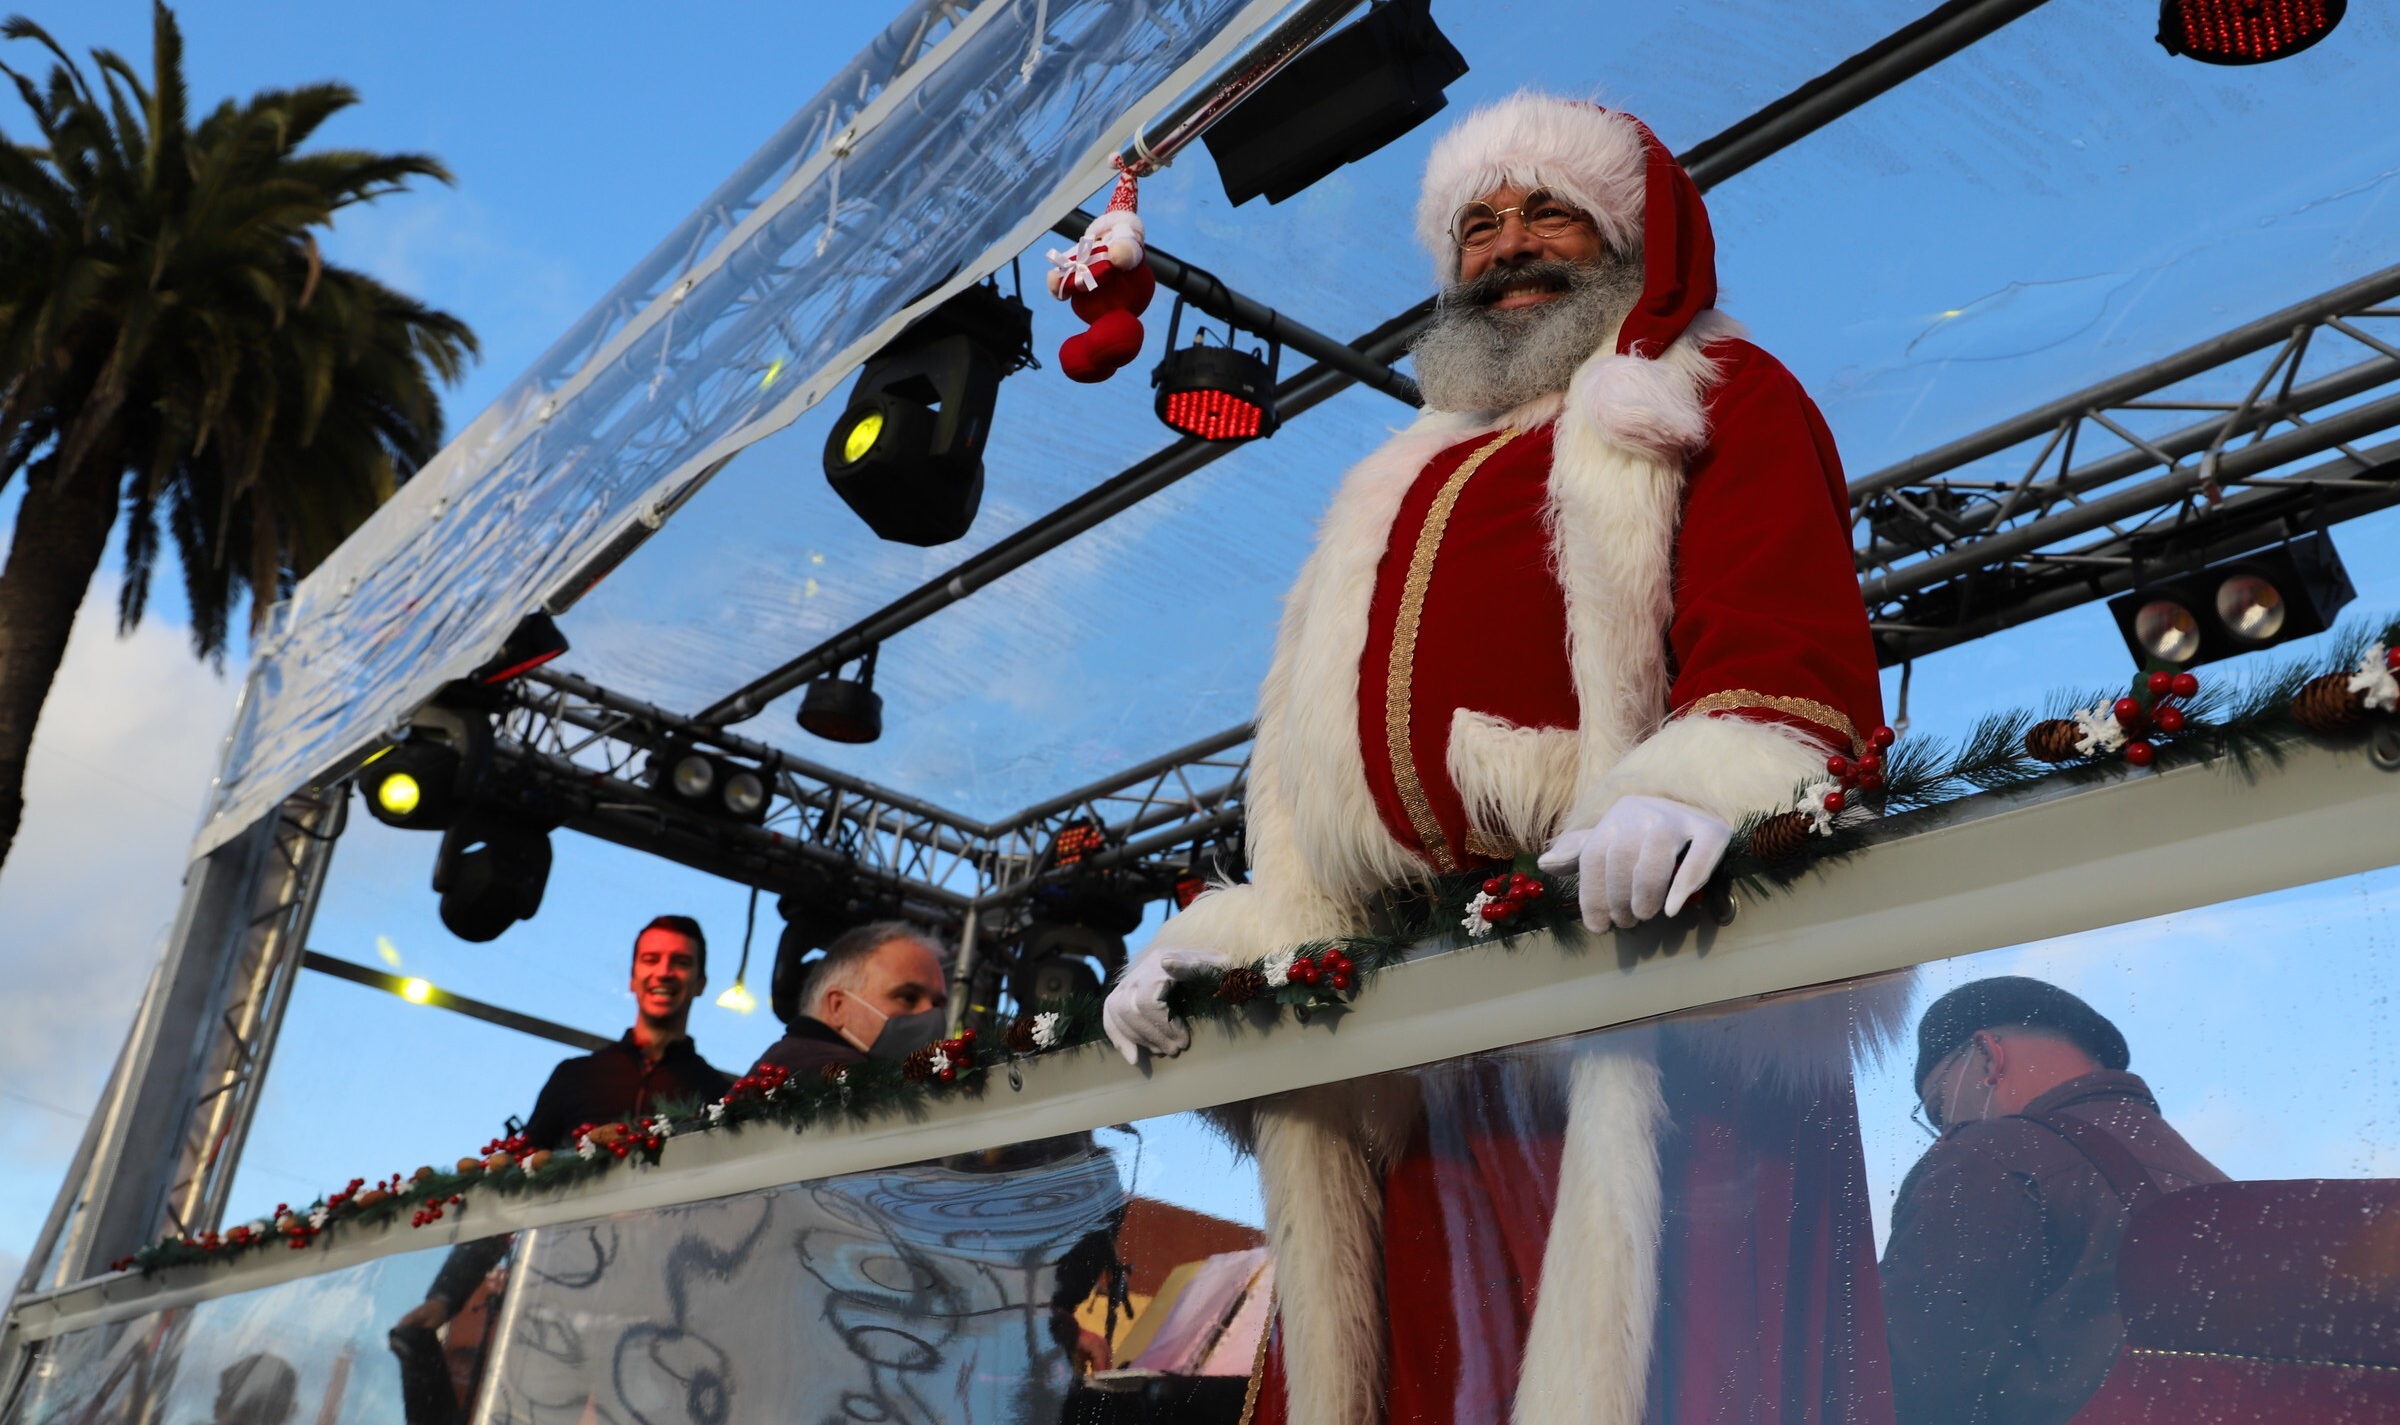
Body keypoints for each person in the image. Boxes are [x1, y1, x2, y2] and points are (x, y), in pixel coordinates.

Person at [1102, 93, 1894, 1425]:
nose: (1510, 245)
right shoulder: (1387, 481)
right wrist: (1237, 949)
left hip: (1643, 985)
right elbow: (1299, 788)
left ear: (1631, 239)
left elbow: (1786, 645)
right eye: (1477, 226)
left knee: (1668, 1371)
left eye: (1549, 213)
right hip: (1421, 1050)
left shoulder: (1714, 391)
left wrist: (1694, 789)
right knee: (1426, 1375)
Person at [390, 915, 738, 1398]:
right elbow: (512, 1187)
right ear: (633, 977)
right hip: (552, 1300)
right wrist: (445, 1296)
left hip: (658, 1314)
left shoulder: (717, 1095)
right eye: (651, 960)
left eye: (680, 962)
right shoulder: (576, 1076)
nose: (664, 971)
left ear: (700, 982)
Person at [1881, 977, 2228, 1425]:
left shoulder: (1991, 1156)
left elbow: (1904, 1381)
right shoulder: (2204, 1177)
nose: (1944, 1130)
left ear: (1987, 1055)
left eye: (1939, 1105)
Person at [750, 919, 951, 1077]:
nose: (930, 1013)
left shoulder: (780, 1067)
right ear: (837, 1006)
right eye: (908, 997)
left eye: (938, 1005)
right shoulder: (839, 1081)